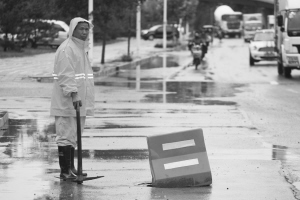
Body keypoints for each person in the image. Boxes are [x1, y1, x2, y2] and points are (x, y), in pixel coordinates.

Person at [50, 17, 94, 179]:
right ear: (73, 30)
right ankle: (65, 171)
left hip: (78, 102)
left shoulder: (80, 49)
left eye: (86, 29)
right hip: (67, 101)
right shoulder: (66, 49)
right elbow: (65, 74)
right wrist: (74, 93)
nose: (84, 32)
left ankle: (72, 168)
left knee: (74, 135)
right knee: (65, 135)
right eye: (81, 29)